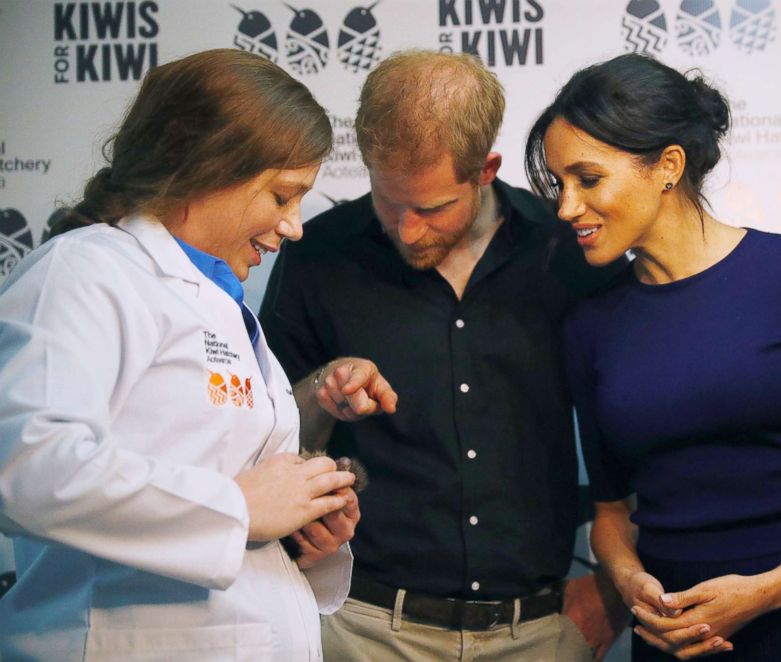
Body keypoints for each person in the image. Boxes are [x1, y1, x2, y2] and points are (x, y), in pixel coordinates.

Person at [524, 53, 781, 661]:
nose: (566, 208)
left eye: (587, 180)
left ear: (667, 166)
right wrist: (627, 582)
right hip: (675, 639)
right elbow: (613, 514)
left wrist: (770, 590)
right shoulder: (591, 324)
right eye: (559, 185)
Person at [260, 49, 628, 661]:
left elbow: (639, 425)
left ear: (486, 169)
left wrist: (614, 588)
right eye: (389, 201)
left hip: (539, 630)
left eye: (431, 208)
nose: (407, 230)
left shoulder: (567, 252)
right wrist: (323, 386)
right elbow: (266, 435)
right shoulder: (317, 256)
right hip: (363, 628)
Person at [0, 49, 359, 661]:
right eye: (281, 196)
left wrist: (299, 528)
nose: (294, 225)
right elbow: (28, 470)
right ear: (206, 170)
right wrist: (241, 509)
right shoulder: (85, 272)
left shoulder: (220, 301)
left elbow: (219, 495)